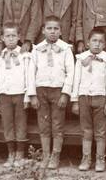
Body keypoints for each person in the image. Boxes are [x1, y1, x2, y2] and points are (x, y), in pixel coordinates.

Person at [29, 16, 75, 169]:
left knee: (57, 124)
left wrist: (65, 93)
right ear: (43, 30)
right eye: (49, 28)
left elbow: (71, 72)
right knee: (44, 124)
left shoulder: (66, 49)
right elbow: (31, 73)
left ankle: (56, 155)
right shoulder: (36, 49)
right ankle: (46, 154)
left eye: (56, 29)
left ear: (61, 31)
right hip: (41, 89)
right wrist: (33, 95)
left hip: (58, 90)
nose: (53, 32)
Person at [71, 28, 106, 172]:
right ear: (88, 42)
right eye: (94, 41)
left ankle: (100, 158)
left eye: (101, 42)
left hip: (100, 98)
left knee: (100, 131)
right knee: (86, 130)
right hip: (84, 97)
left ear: (105, 45)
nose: (97, 44)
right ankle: (86, 158)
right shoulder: (81, 58)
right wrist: (75, 101)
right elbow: (76, 80)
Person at [0, 23, 34, 168]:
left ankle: (20, 153)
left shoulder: (25, 56)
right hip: (4, 95)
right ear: (2, 38)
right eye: (7, 36)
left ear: (19, 37)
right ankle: (11, 153)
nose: (10, 39)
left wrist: (28, 96)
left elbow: (28, 76)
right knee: (7, 124)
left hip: (20, 94)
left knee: (20, 123)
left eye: (13, 36)